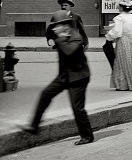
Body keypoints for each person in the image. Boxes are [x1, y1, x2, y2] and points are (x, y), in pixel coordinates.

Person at [24, 10, 94, 145]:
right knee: (45, 94)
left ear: (65, 25)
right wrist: (53, 38)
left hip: (78, 78)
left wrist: (59, 37)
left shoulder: (75, 37)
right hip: (64, 76)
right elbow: (52, 39)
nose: (54, 29)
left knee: (77, 108)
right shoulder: (62, 36)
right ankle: (34, 126)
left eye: (56, 26)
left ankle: (87, 136)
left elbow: (69, 52)